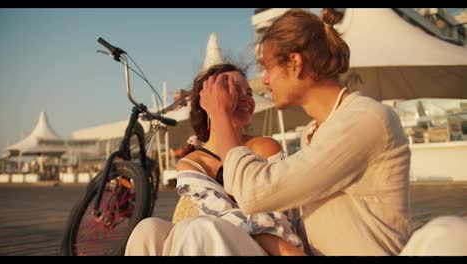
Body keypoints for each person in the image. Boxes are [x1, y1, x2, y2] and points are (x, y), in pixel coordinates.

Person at [199, 8, 412, 256]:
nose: (265, 80)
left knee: (202, 232)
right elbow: (315, 223)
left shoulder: (365, 119)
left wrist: (220, 115)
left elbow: (254, 193)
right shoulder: (316, 130)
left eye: (267, 68)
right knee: (158, 229)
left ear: (295, 63)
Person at [124, 63, 305, 256]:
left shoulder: (264, 146)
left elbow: (277, 210)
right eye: (233, 89)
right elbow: (221, 212)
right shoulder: (192, 163)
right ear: (207, 100)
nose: (246, 97)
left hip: (269, 247)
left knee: (198, 228)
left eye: (249, 92)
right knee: (148, 228)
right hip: (214, 240)